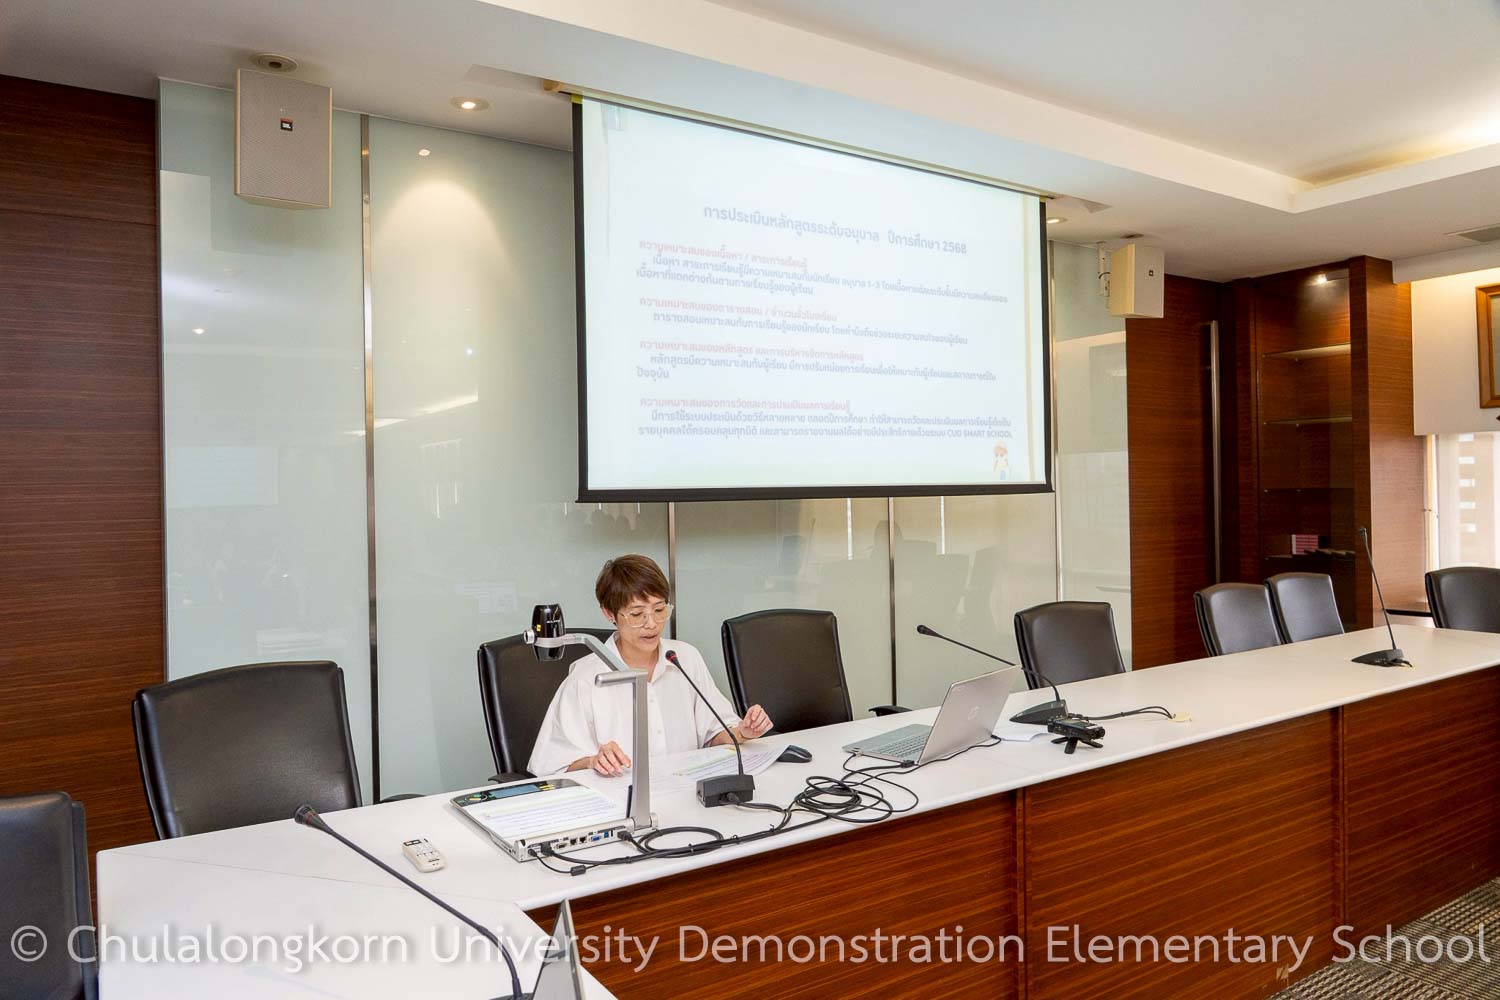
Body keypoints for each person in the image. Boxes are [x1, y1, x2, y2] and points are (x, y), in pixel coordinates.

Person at [527, 554, 774, 776]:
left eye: (659, 610)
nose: (652, 624)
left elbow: (715, 735)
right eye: (637, 614)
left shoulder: (685, 658)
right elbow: (553, 767)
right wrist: (593, 761)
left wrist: (742, 732)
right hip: (621, 799)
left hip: (688, 793)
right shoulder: (586, 678)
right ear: (609, 614)